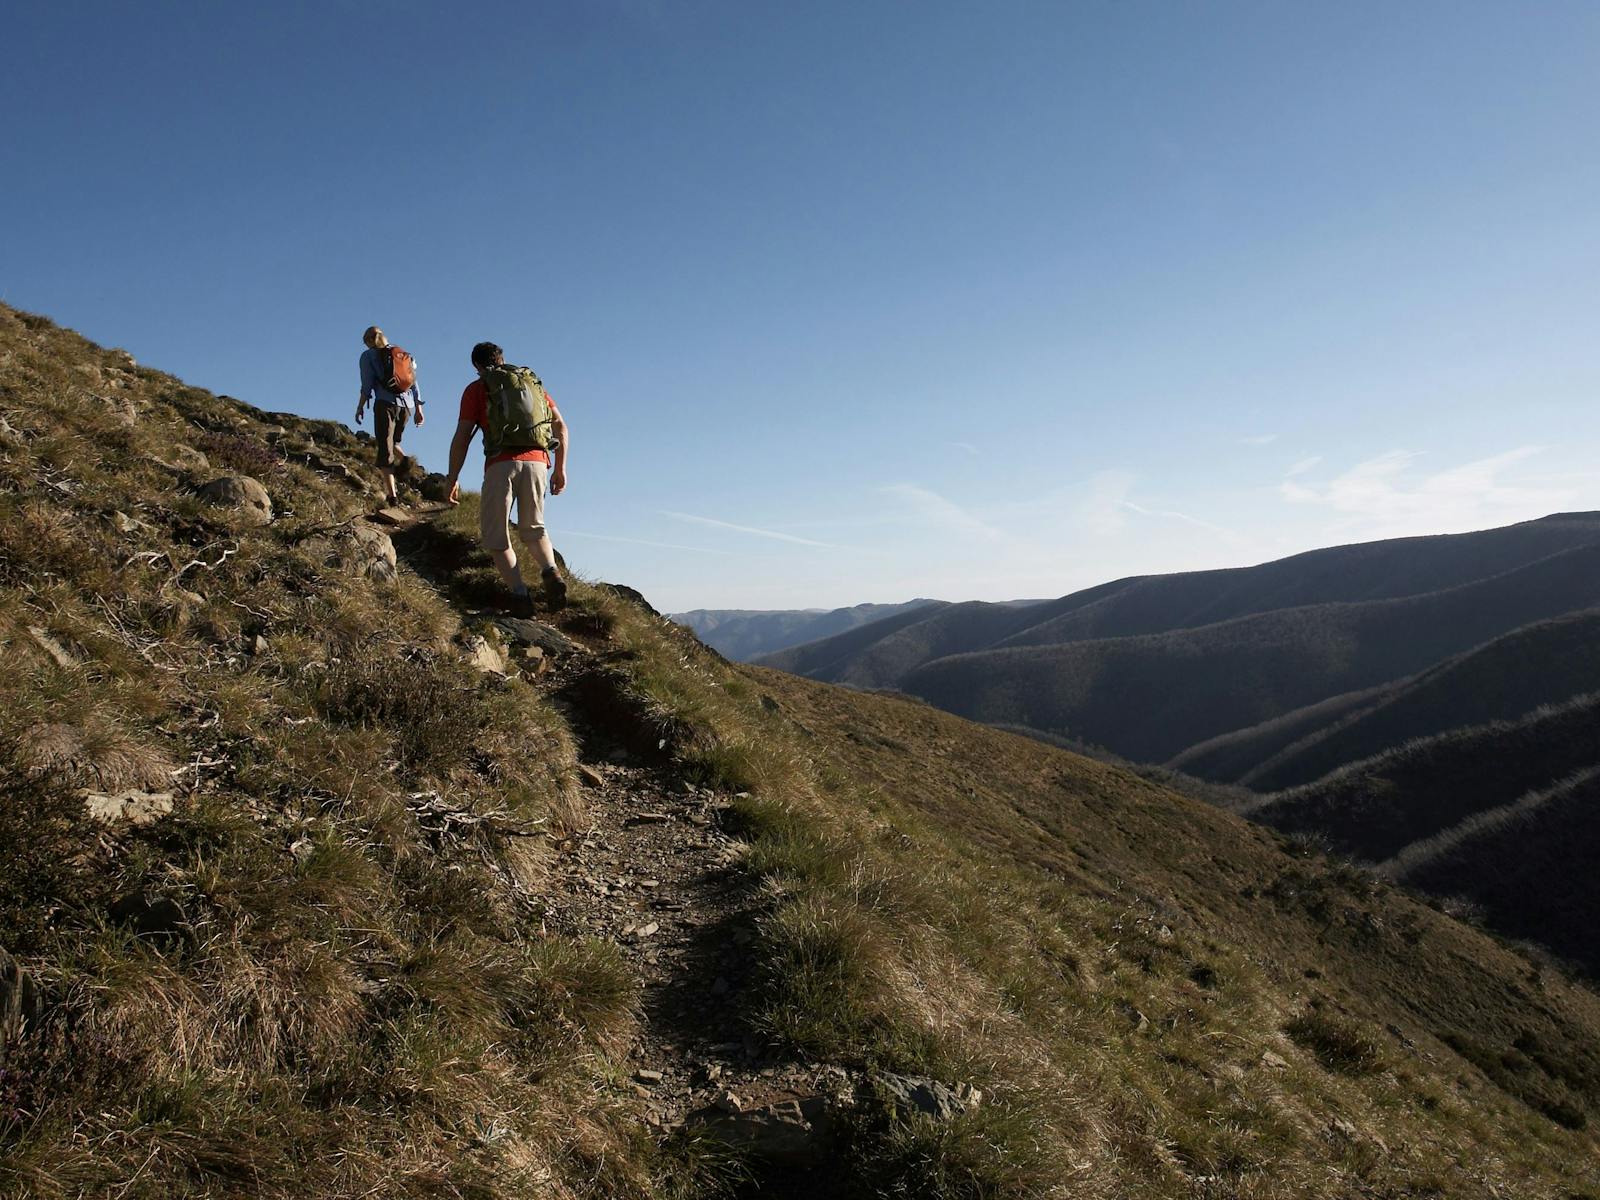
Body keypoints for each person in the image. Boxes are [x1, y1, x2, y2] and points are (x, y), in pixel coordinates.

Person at [445, 341, 569, 614]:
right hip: (538, 463)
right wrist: (560, 469)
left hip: (501, 464)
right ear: (501, 359)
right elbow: (560, 426)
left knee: (496, 536)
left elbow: (462, 436)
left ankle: (520, 596)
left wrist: (452, 477)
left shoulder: (477, 389)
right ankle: (551, 571)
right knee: (534, 529)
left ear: (476, 365)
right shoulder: (530, 385)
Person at [356, 326, 423, 504]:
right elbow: (414, 382)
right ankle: (406, 461)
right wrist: (419, 409)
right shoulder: (403, 354)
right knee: (394, 442)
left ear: (369, 340)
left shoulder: (368, 356)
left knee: (385, 446)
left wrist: (360, 406)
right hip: (406, 406)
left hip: (385, 404)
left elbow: (367, 385)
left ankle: (392, 496)